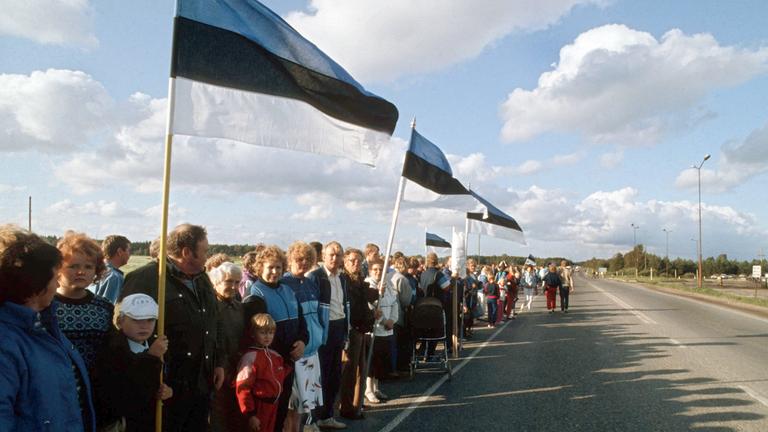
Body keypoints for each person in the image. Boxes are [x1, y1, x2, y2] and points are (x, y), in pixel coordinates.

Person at [120, 223, 224, 432]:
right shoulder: (146, 279)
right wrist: (149, 370)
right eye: (204, 251)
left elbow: (213, 321)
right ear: (187, 252)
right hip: (166, 386)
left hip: (201, 383)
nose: (207, 256)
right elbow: (124, 329)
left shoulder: (202, 278)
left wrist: (218, 361)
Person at [0, 226, 96, 432]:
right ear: (36, 283)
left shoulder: (43, 327)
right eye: (55, 277)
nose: (56, 286)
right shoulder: (7, 342)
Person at [247, 245, 308, 431]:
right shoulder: (255, 294)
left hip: (288, 361)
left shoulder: (288, 290)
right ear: (260, 268)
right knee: (268, 414)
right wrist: (284, 352)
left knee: (281, 410)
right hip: (269, 364)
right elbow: (258, 334)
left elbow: (301, 322)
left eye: (278, 267)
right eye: (270, 267)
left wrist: (302, 342)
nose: (274, 272)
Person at [92, 293, 173, 432]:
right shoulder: (111, 350)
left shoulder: (158, 345)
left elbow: (170, 378)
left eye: (150, 320)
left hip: (150, 422)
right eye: (136, 320)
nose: (144, 326)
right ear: (120, 321)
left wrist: (168, 391)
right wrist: (150, 358)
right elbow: (124, 393)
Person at [55, 231, 113, 375]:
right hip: (56, 385)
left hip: (96, 387)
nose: (81, 272)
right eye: (73, 266)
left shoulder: (104, 307)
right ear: (58, 269)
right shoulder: (44, 305)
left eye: (88, 267)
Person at [281, 241, 325, 432]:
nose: (304, 262)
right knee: (292, 405)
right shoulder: (283, 284)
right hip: (296, 353)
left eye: (308, 259)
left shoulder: (311, 284)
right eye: (299, 259)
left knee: (303, 405)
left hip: (312, 351)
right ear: (290, 259)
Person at [307, 241, 349, 430]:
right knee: (319, 376)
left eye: (338, 255)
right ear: (323, 255)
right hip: (322, 330)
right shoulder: (315, 276)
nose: (335, 258)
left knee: (334, 376)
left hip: (339, 328)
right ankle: (313, 420)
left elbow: (344, 306)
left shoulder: (342, 278)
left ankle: (327, 416)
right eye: (331, 254)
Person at [338, 248, 378, 419]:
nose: (355, 264)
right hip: (351, 329)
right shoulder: (344, 280)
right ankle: (347, 407)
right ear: (345, 262)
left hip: (362, 329)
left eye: (358, 261)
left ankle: (357, 402)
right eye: (352, 260)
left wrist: (376, 292)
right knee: (350, 371)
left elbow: (365, 297)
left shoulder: (359, 279)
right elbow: (353, 306)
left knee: (361, 370)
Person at [236, 313, 292, 432]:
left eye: (270, 333)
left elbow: (279, 375)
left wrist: (290, 364)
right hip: (258, 407)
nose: (267, 336)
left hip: (273, 406)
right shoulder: (250, 358)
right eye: (263, 332)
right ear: (253, 334)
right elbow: (243, 388)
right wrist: (250, 414)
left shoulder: (275, 356)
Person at [209, 262, 246, 432]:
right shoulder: (210, 307)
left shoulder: (239, 307)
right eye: (229, 281)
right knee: (218, 415)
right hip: (217, 368)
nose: (233, 287)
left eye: (237, 282)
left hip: (237, 368)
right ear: (217, 282)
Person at [365, 257, 397, 405]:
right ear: (370, 271)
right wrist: (384, 321)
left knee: (380, 363)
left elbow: (394, 303)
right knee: (371, 362)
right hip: (376, 330)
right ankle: (368, 390)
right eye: (375, 269)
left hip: (388, 330)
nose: (378, 272)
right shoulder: (368, 285)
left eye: (381, 270)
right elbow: (372, 307)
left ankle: (376, 388)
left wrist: (392, 321)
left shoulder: (388, 284)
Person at [90, 234, 131, 304]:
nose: (129, 254)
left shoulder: (93, 271)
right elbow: (109, 307)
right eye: (128, 251)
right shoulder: (114, 277)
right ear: (120, 252)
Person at [390, 256, 413, 374]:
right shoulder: (402, 279)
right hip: (397, 315)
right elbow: (406, 300)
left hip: (386, 314)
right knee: (397, 343)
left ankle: (390, 369)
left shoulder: (388, 275)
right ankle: (396, 368)